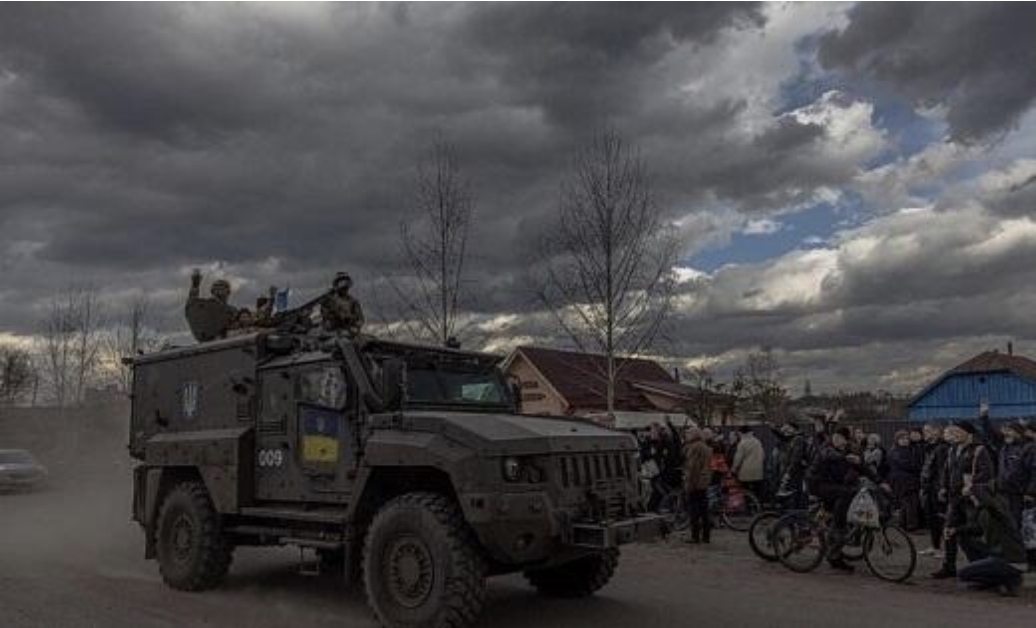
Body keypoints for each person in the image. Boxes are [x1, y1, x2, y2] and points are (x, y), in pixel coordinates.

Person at [807, 426, 881, 572]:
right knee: (846, 496)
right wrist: (845, 458)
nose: (836, 440)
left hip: (832, 485)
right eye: (835, 437)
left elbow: (863, 467)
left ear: (846, 441)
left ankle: (830, 538)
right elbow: (829, 455)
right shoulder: (827, 447)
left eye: (840, 438)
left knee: (840, 503)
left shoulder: (848, 451)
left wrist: (880, 481)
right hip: (818, 484)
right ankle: (834, 542)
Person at [931, 420, 995, 579]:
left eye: (958, 431)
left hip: (970, 499)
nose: (954, 434)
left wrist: (971, 486)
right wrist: (943, 487)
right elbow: (947, 471)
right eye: (953, 432)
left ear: (969, 433)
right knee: (949, 531)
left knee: (972, 533)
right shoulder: (953, 449)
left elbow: (987, 473)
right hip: (954, 498)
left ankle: (981, 566)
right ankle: (949, 566)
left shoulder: (979, 450)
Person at [979, 415, 1036, 571]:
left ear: (1019, 432)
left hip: (1021, 495)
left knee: (1023, 527)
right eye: (1005, 431)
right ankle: (1015, 557)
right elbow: (990, 435)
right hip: (1005, 493)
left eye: (1010, 430)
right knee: (1009, 527)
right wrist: (984, 418)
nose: (1006, 433)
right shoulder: (1005, 446)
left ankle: (1029, 560)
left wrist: (1031, 492)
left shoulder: (1029, 448)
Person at [953, 485, 1027, 596]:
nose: (972, 498)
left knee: (963, 573)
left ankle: (1006, 580)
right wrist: (955, 530)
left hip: (1009, 558)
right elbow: (976, 529)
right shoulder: (985, 513)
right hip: (997, 554)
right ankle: (1004, 580)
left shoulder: (998, 511)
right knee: (964, 539)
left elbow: (989, 503)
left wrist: (974, 488)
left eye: (973, 496)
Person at [919, 423, 950, 556]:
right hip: (928, 488)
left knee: (940, 519)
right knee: (931, 520)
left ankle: (943, 549)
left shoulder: (942, 448)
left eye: (928, 430)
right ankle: (935, 546)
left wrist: (941, 489)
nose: (924, 433)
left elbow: (942, 470)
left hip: (937, 490)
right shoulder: (928, 448)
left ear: (936, 432)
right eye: (924, 430)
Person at [185, 269, 240, 341]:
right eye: (217, 287)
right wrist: (195, 286)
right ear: (212, 291)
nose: (220, 289)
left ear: (228, 292)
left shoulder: (233, 310)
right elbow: (191, 305)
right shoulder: (205, 305)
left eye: (223, 287)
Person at [682, 427, 713, 544]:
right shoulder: (705, 447)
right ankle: (706, 536)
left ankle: (695, 536)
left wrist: (689, 484)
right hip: (704, 482)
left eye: (687, 434)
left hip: (695, 483)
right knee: (704, 510)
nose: (686, 436)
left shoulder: (694, 447)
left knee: (694, 511)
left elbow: (693, 468)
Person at [887, 429, 923, 531]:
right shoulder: (895, 451)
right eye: (902, 438)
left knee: (907, 504)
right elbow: (908, 465)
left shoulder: (905, 449)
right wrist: (917, 467)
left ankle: (904, 524)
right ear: (897, 440)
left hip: (906, 480)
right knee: (910, 503)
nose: (905, 440)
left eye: (907, 438)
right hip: (903, 481)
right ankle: (911, 526)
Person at [773, 422, 808, 509]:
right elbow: (782, 436)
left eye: (787, 428)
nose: (785, 430)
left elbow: (796, 459)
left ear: (793, 429)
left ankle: (795, 518)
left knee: (794, 497)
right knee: (792, 497)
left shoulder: (798, 439)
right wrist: (773, 429)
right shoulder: (793, 439)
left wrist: (788, 473)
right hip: (793, 473)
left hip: (795, 474)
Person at [320, 272, 365, 336]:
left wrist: (350, 319)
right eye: (342, 285)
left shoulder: (353, 301)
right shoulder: (329, 300)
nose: (344, 289)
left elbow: (360, 319)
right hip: (331, 331)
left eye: (346, 286)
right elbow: (324, 314)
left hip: (348, 331)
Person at [732, 426, 766, 499]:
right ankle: (757, 506)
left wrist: (733, 469)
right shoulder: (757, 441)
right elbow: (763, 455)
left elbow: (738, 459)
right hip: (758, 471)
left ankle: (747, 506)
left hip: (746, 471)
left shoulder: (742, 443)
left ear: (741, 433)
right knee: (757, 491)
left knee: (745, 491)